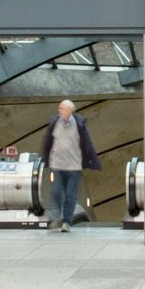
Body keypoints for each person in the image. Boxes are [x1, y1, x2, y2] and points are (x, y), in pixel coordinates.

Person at [38, 99, 100, 232]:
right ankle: (58, 213)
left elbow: (86, 143)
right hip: (57, 165)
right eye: (59, 108)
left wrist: (92, 161)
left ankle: (66, 221)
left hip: (73, 166)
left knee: (71, 195)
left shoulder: (79, 124)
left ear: (70, 111)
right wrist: (45, 159)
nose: (60, 110)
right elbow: (48, 142)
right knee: (55, 191)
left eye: (63, 109)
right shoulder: (55, 123)